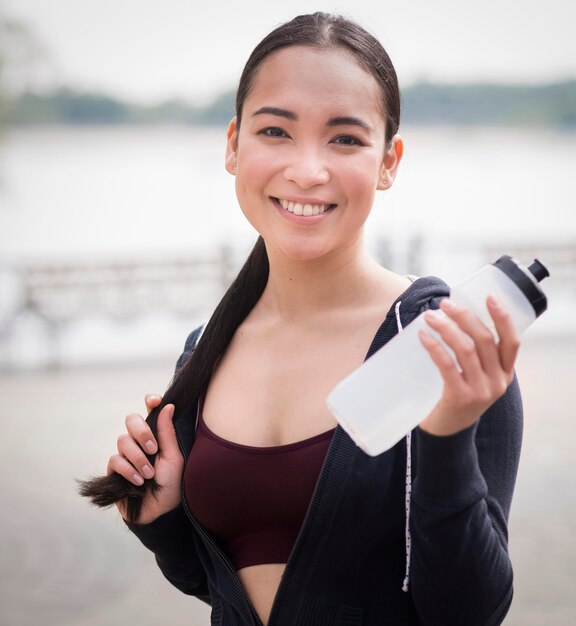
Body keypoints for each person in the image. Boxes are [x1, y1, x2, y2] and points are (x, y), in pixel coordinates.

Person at [80, 12, 523, 626]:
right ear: (234, 145)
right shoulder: (204, 351)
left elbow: (470, 610)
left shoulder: (437, 343)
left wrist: (446, 439)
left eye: (345, 138)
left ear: (389, 161)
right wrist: (161, 515)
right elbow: (218, 587)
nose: (308, 170)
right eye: (275, 132)